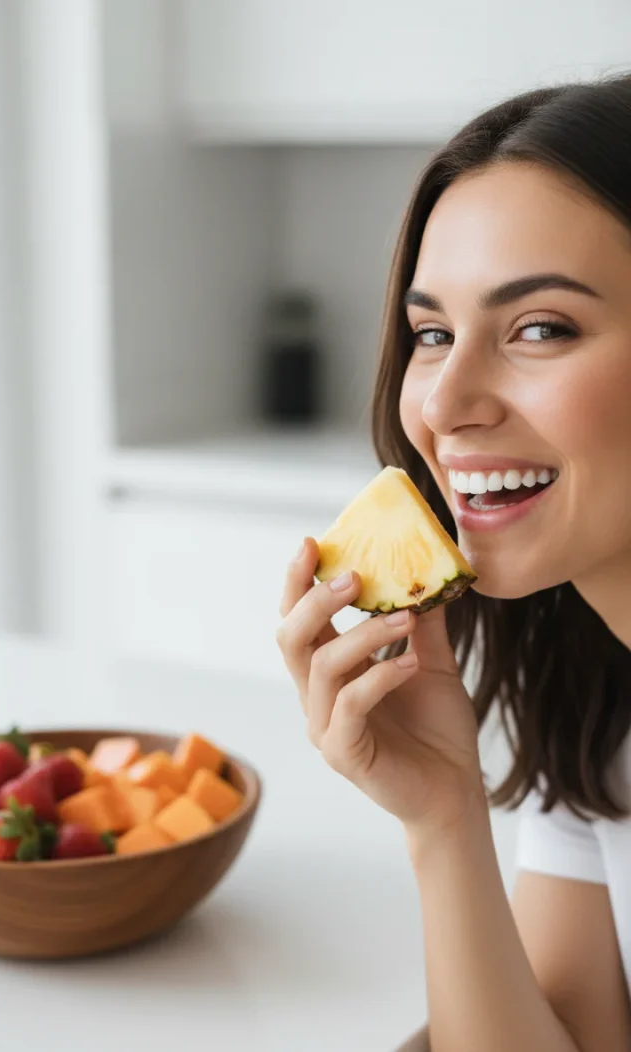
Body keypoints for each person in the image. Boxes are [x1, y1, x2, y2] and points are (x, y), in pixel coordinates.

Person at [277, 74, 631, 1052]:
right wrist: (443, 818)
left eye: (540, 328)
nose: (441, 403)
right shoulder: (594, 705)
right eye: (432, 334)